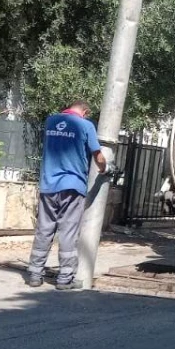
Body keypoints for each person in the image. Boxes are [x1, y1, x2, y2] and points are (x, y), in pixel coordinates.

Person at [27, 100, 107, 290]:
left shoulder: (50, 121)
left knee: (44, 229)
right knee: (68, 231)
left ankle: (35, 274)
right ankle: (65, 278)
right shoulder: (86, 125)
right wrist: (104, 169)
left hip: (49, 184)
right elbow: (98, 156)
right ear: (85, 111)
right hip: (73, 186)